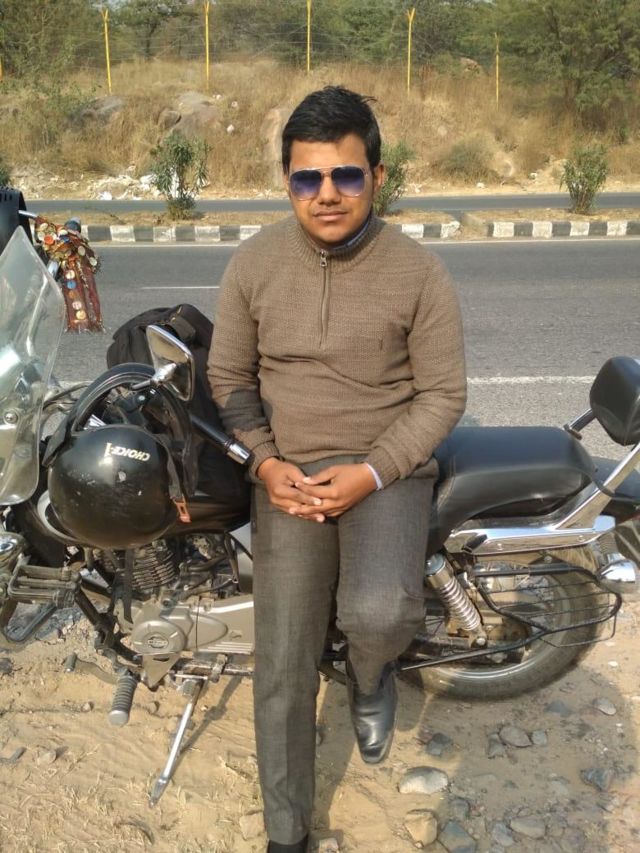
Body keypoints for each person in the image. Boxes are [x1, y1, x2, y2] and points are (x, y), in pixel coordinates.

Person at [208, 85, 466, 853]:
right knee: (283, 659)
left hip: (387, 469)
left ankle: (370, 674)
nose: (327, 194)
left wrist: (373, 471)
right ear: (287, 181)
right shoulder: (254, 263)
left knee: (381, 611)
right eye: (307, 178)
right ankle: (287, 832)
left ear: (376, 177)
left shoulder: (419, 272)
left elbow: (443, 393)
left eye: (345, 175)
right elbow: (230, 377)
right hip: (288, 475)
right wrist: (266, 463)